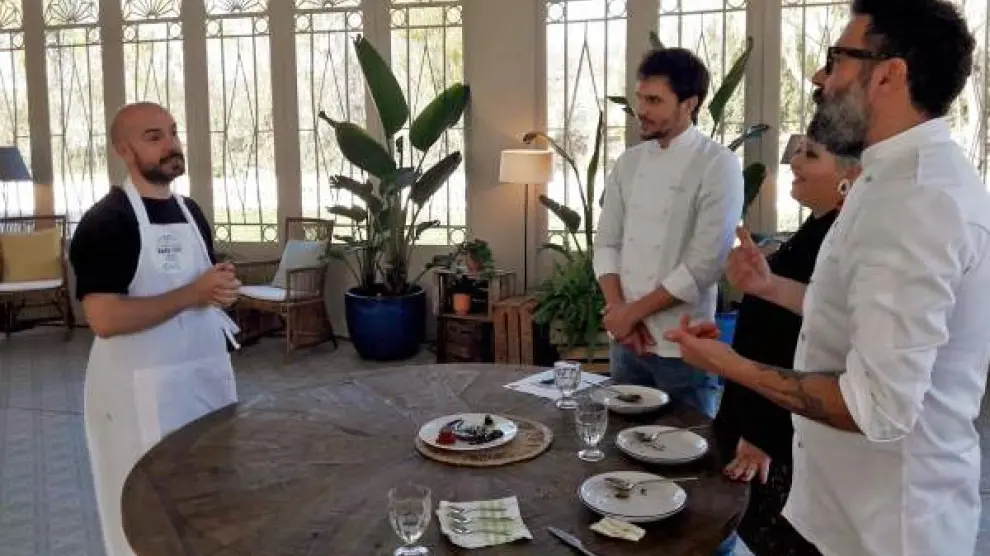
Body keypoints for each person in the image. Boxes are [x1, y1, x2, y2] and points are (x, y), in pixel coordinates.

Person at [664, 1, 990, 555]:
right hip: (843, 509)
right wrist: (771, 288)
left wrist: (730, 366)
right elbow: (858, 314)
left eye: (837, 60)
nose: (819, 77)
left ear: (889, 74)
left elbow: (875, 406)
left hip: (886, 528)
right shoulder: (885, 178)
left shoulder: (917, 202)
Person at [71, 102, 242, 556]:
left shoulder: (191, 212)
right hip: (140, 396)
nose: (171, 144)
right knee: (147, 515)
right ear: (124, 151)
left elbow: (199, 287)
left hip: (203, 381)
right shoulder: (107, 223)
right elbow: (105, 319)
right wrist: (194, 293)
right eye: (154, 137)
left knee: (211, 502)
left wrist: (219, 287)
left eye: (172, 132)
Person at [713, 133, 859, 556]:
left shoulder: (840, 241)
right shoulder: (818, 228)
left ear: (849, 175)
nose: (794, 161)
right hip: (754, 409)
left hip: (776, 428)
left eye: (809, 154)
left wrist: (760, 433)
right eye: (796, 151)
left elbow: (802, 346)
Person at [593, 47, 743, 420]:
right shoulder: (628, 163)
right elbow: (607, 243)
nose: (642, 110)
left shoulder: (718, 164)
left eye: (655, 101)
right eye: (640, 98)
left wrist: (631, 314)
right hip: (627, 344)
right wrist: (619, 315)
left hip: (685, 346)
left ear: (689, 104)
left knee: (688, 445)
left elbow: (703, 265)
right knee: (621, 442)